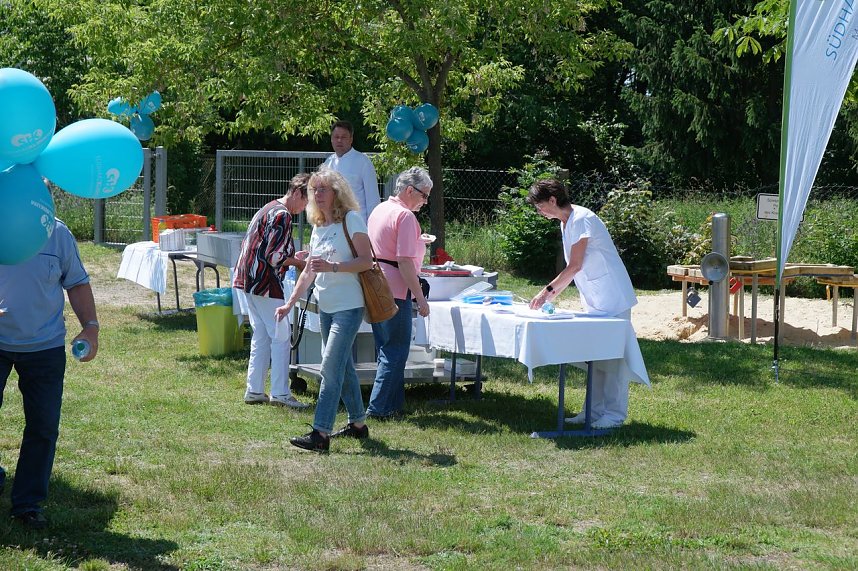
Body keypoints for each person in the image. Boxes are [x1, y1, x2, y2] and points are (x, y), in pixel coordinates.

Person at [0, 218, 99, 530]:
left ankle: (27, 504)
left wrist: (91, 328)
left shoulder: (58, 234)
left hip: (45, 347)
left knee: (43, 427)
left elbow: (77, 283)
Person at [527, 178, 640, 429]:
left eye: (540, 206)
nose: (540, 211)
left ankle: (614, 415)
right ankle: (592, 410)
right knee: (596, 356)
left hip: (613, 297)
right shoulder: (565, 223)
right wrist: (551, 296)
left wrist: (546, 291)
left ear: (553, 200)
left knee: (612, 359)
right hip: (596, 299)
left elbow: (575, 265)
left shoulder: (581, 218)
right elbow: (575, 270)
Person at [276, 168, 373, 452]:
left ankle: (320, 434)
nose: (317, 195)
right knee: (342, 367)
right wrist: (290, 303)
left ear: (337, 193)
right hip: (326, 308)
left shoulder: (352, 220)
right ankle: (358, 424)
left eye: (323, 190)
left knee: (330, 368)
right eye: (314, 190)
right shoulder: (318, 226)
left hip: (350, 307)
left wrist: (334, 267)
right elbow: (308, 272)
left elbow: (366, 260)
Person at [233, 173, 311, 408]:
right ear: (297, 193)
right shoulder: (283, 215)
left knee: (262, 335)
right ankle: (280, 393)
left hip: (248, 280)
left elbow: (270, 250)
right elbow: (274, 257)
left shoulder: (269, 207)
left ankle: (254, 390)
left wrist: (291, 257)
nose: (306, 208)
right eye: (306, 201)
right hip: (265, 282)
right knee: (281, 337)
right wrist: (298, 263)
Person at [365, 167, 433, 419]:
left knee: (386, 347)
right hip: (395, 289)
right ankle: (378, 408)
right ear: (409, 190)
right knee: (395, 351)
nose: (425, 201)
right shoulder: (405, 217)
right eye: (424, 195)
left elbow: (385, 247)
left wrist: (417, 242)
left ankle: (392, 406)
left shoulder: (380, 209)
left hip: (374, 284)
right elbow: (404, 262)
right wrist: (420, 297)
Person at [323, 120, 381, 224]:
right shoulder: (328, 163)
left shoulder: (363, 162)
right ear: (331, 139)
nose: (339, 140)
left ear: (351, 139)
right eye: (336, 137)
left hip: (357, 225)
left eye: (344, 137)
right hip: (333, 225)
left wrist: (373, 228)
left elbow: (373, 201)